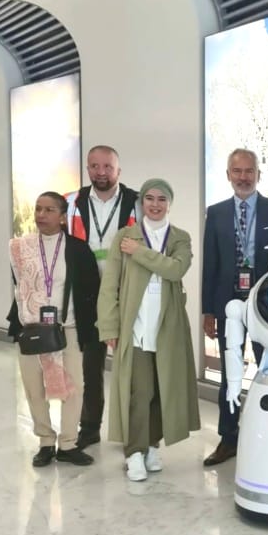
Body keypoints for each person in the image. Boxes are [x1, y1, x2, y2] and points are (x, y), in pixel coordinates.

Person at [97, 178, 200, 482]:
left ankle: (152, 445)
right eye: (150, 198)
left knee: (162, 389)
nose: (155, 205)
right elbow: (110, 285)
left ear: (169, 204)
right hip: (136, 326)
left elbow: (176, 269)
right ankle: (134, 452)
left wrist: (140, 252)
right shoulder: (124, 236)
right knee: (139, 392)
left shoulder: (180, 238)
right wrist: (109, 326)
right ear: (142, 202)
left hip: (168, 328)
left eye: (162, 199)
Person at [202, 149, 268, 466]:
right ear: (228, 175)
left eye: (249, 171)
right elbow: (211, 263)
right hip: (228, 305)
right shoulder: (216, 213)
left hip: (267, 305)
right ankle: (229, 438)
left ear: (258, 174)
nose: (243, 177)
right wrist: (208, 311)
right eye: (237, 171)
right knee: (230, 373)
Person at [7, 192, 98, 468]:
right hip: (31, 329)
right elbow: (20, 288)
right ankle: (46, 441)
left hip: (68, 327)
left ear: (62, 217)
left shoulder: (78, 249)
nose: (41, 215)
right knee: (34, 388)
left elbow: (90, 289)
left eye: (49, 210)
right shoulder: (21, 247)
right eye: (38, 209)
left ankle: (68, 443)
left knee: (74, 387)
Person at [66, 145, 141, 450]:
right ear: (87, 169)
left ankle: (131, 432)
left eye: (107, 166)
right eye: (94, 166)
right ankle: (90, 427)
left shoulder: (137, 202)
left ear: (118, 170)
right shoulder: (72, 202)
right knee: (90, 365)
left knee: (131, 365)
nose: (101, 172)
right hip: (86, 293)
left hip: (125, 291)